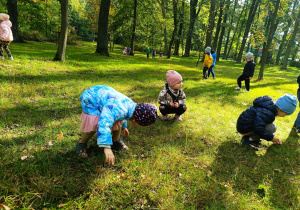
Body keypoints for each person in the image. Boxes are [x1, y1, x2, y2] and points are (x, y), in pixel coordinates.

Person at [77, 85, 158, 165]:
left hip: (103, 94)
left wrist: (124, 127)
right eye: (141, 125)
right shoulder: (118, 109)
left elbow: (123, 116)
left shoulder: (132, 107)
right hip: (91, 98)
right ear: (136, 120)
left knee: (116, 121)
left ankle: (115, 141)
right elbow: (104, 124)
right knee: (95, 124)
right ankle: (82, 143)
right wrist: (106, 147)